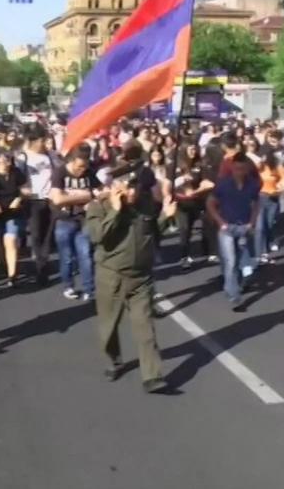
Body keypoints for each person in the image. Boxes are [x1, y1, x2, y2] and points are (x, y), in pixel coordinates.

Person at [85, 157, 175, 393]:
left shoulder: (145, 205)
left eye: (136, 187)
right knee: (109, 327)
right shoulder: (99, 206)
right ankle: (114, 360)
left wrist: (166, 215)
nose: (133, 192)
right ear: (116, 187)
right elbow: (97, 237)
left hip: (141, 277)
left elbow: (153, 235)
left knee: (145, 326)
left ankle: (152, 376)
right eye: (128, 186)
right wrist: (115, 211)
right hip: (111, 275)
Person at [207, 152, 260, 311]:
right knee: (230, 260)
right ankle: (233, 293)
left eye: (242, 169)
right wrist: (220, 222)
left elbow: (256, 204)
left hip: (243, 226)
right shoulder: (223, 184)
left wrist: (252, 222)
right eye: (236, 168)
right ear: (232, 168)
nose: (239, 172)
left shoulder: (252, 185)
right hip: (227, 227)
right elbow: (210, 203)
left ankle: (230, 284)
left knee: (237, 260)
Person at [49, 144, 103, 301]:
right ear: (72, 161)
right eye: (80, 166)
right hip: (64, 220)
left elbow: (101, 191)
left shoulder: (89, 173)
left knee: (85, 255)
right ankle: (68, 285)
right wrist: (85, 195)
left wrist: (80, 196)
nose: (82, 170)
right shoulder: (60, 173)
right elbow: (57, 199)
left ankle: (89, 289)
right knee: (66, 257)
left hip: (84, 219)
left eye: (85, 166)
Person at [0, 150, 30, 289]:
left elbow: (25, 189)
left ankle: (12, 275)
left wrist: (19, 198)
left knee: (10, 240)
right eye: (6, 160)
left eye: (10, 160)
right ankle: (3, 265)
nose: (8, 163)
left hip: (13, 212)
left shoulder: (16, 172)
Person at [17, 127, 55, 286]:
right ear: (33, 141)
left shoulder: (50, 156)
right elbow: (16, 178)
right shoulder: (23, 157)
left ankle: (43, 263)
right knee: (37, 235)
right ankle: (40, 269)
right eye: (42, 141)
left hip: (50, 199)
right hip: (33, 201)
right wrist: (22, 190)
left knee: (48, 235)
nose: (45, 143)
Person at [173, 143, 214, 269]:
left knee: (207, 226)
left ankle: (209, 252)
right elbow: (171, 183)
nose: (193, 151)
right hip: (182, 202)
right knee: (185, 229)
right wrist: (182, 180)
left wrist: (199, 189)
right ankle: (184, 257)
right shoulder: (177, 165)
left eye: (195, 149)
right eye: (190, 149)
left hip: (197, 200)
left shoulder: (200, 165)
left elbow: (206, 182)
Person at [255, 150, 284, 264]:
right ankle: (260, 254)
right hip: (260, 197)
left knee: (269, 225)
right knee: (260, 227)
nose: (263, 159)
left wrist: (279, 190)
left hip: (273, 199)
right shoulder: (258, 168)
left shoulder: (276, 168)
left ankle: (267, 247)